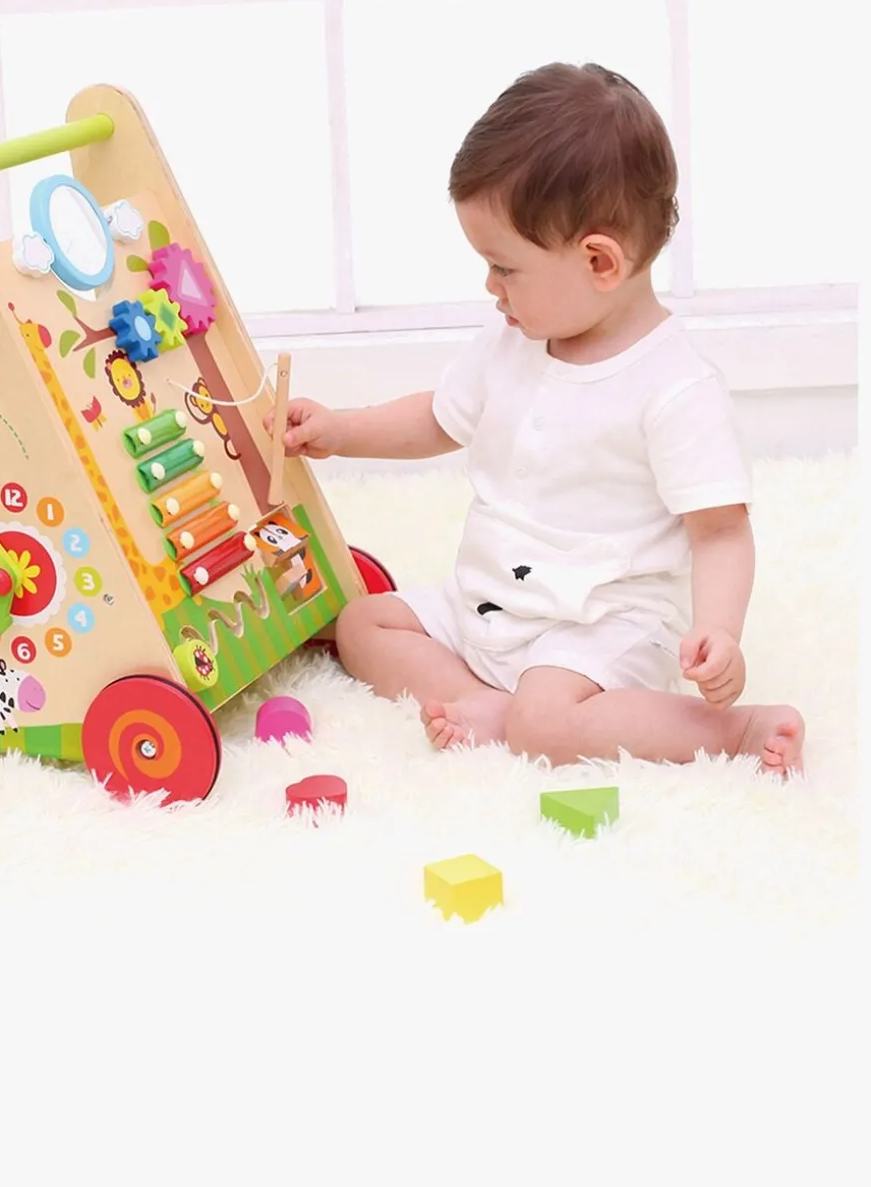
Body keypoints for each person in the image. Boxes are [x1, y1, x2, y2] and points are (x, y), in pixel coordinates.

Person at [267, 62, 804, 775]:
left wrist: (719, 631)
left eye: (506, 267)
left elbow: (721, 531)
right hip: (488, 604)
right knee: (363, 622)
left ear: (599, 262)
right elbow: (438, 419)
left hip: (597, 628)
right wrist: (341, 431)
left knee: (548, 721)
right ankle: (487, 705)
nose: (490, 285)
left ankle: (732, 732)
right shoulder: (513, 340)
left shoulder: (675, 388)